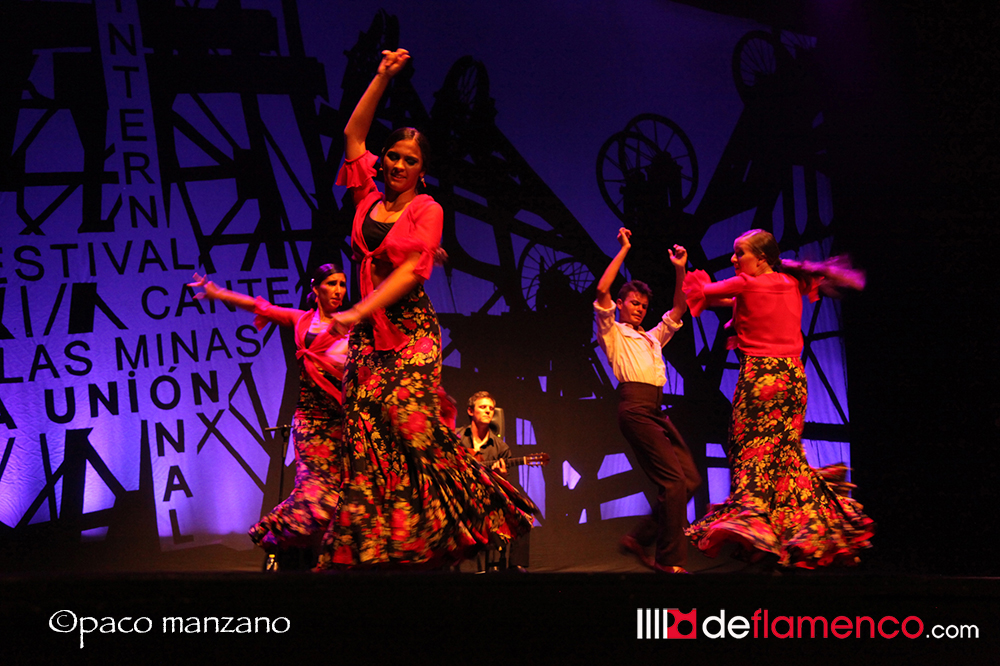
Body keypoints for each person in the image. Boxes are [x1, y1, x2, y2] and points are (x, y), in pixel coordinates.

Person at [319, 48, 536, 569]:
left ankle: (476, 508)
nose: (397, 165)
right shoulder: (366, 197)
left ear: (423, 169)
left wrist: (357, 311)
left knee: (414, 430)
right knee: (365, 437)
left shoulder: (427, 209)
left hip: (412, 334)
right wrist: (382, 76)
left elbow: (411, 272)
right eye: (392, 156)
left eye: (409, 160)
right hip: (370, 339)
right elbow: (352, 135)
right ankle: (382, 546)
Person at [682, 229, 874, 568]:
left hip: (761, 380)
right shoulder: (791, 283)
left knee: (750, 455)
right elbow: (742, 300)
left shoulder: (746, 283)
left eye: (740, 253)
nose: (733, 259)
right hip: (794, 381)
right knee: (787, 460)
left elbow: (699, 294)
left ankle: (758, 534)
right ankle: (815, 534)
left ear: (761, 259)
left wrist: (680, 268)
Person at [188, 264, 350, 566]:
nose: (339, 290)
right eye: (332, 283)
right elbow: (260, 306)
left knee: (346, 496)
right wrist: (217, 293)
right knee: (315, 493)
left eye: (342, 284)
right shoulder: (301, 321)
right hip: (311, 420)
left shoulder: (352, 324)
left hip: (345, 421)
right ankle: (277, 536)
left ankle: (331, 560)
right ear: (315, 289)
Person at [594, 227, 702, 574]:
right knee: (672, 481)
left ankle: (639, 537)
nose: (640, 309)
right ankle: (670, 560)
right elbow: (602, 290)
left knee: (690, 479)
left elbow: (679, 307)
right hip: (635, 408)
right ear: (621, 305)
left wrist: (680, 269)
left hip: (655, 410)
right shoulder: (613, 332)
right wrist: (624, 249)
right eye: (634, 303)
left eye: (643, 305)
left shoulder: (652, 338)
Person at [457, 391, 510, 476]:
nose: (488, 411)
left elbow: (504, 483)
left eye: (491, 408)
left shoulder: (501, 448)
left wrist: (501, 476)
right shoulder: (456, 436)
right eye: (483, 407)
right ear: (470, 411)